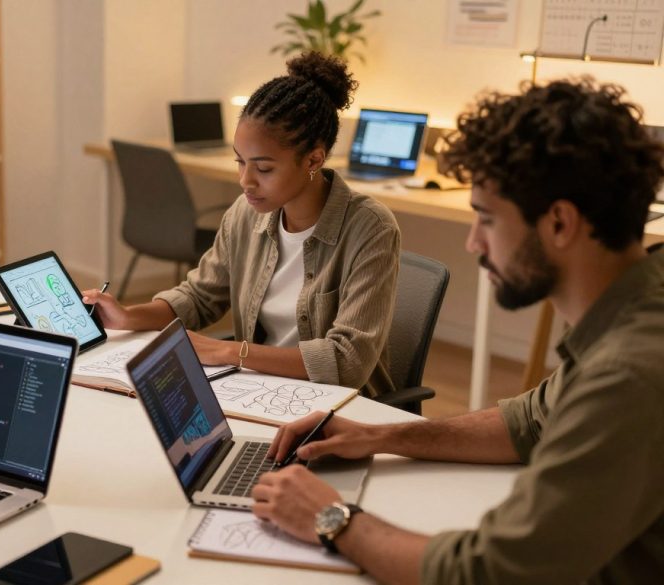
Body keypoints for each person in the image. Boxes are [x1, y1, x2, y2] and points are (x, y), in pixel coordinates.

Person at [251, 77, 664, 584]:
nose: (473, 244)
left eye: (486, 220)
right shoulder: (638, 305)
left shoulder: (629, 374)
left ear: (559, 223)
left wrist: (330, 519)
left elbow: (488, 573)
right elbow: (530, 422)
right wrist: (376, 436)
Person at [84, 52, 401, 397]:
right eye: (240, 162)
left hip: (340, 408)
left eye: (263, 169)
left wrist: (228, 351)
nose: (245, 181)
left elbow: (347, 361)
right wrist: (129, 316)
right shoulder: (245, 213)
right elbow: (199, 296)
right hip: (258, 390)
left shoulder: (371, 228)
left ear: (314, 159)